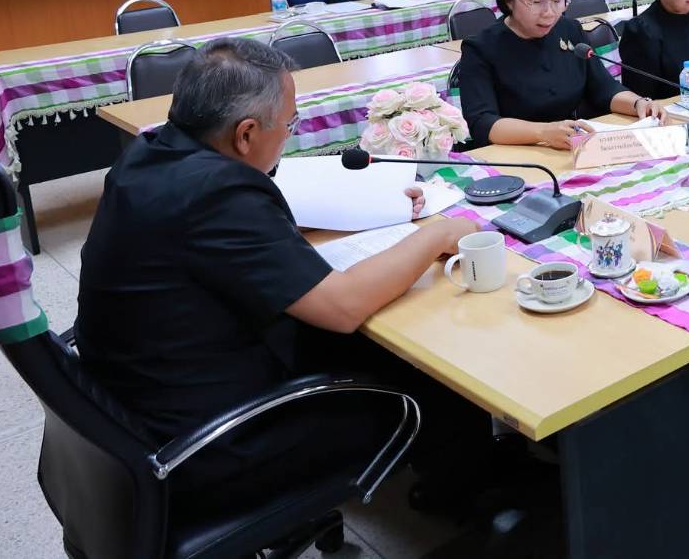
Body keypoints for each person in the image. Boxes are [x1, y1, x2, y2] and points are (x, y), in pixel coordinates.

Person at [73, 39, 483, 509]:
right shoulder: (217, 194)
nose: (290, 134)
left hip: (138, 411)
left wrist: (369, 206)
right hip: (213, 443)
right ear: (246, 134)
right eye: (290, 124)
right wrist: (437, 235)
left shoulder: (151, 154)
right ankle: (464, 498)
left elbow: (226, 235)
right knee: (428, 374)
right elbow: (343, 306)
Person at [459, 0, 663, 148]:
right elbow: (483, 123)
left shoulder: (569, 30)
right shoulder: (481, 48)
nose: (549, 12)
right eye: (537, 1)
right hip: (516, 152)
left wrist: (638, 103)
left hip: (570, 146)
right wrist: (543, 133)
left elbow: (604, 88)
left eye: (558, 0)